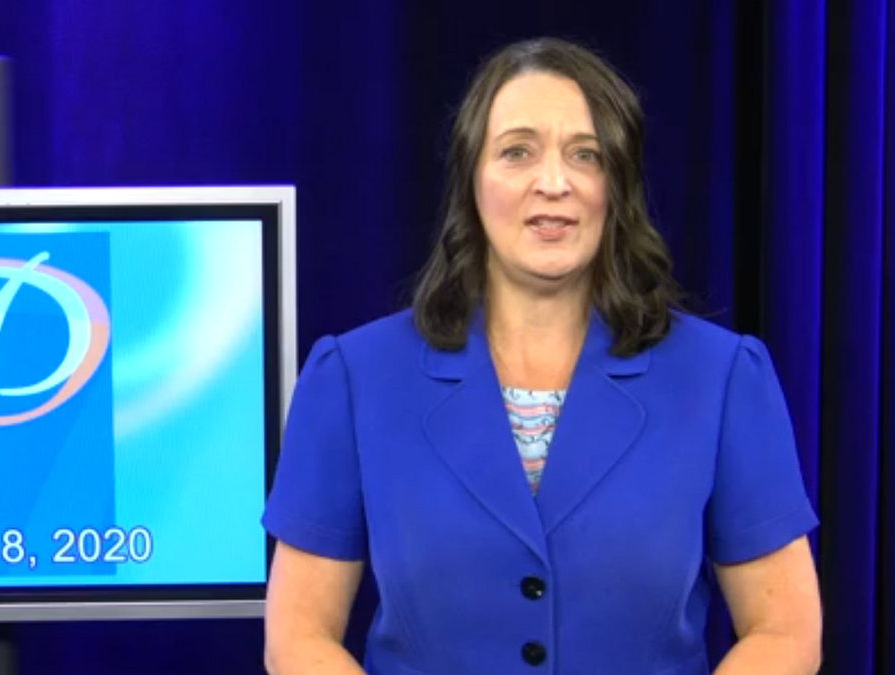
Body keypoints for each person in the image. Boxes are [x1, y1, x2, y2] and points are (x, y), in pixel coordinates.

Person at [261, 37, 821, 674]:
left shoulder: (721, 379)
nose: (553, 183)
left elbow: (785, 632)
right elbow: (298, 636)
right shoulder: (354, 378)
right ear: (472, 180)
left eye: (586, 155)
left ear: (617, 185)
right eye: (517, 152)